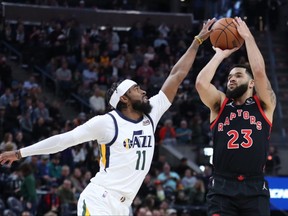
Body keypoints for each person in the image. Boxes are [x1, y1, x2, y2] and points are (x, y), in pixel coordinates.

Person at [0, 18, 216, 216]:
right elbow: (62, 141)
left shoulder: (152, 112)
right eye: (136, 89)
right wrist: (20, 153)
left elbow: (176, 75)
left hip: (123, 206)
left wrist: (197, 41)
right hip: (99, 199)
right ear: (123, 99)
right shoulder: (106, 123)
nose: (143, 92)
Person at [195, 17, 276, 216]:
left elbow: (258, 72)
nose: (231, 79)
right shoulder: (220, 105)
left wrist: (248, 37)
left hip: (254, 187)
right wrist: (219, 56)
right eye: (230, 77)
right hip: (222, 187)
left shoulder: (264, 104)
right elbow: (201, 84)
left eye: (238, 76)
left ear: (251, 84)